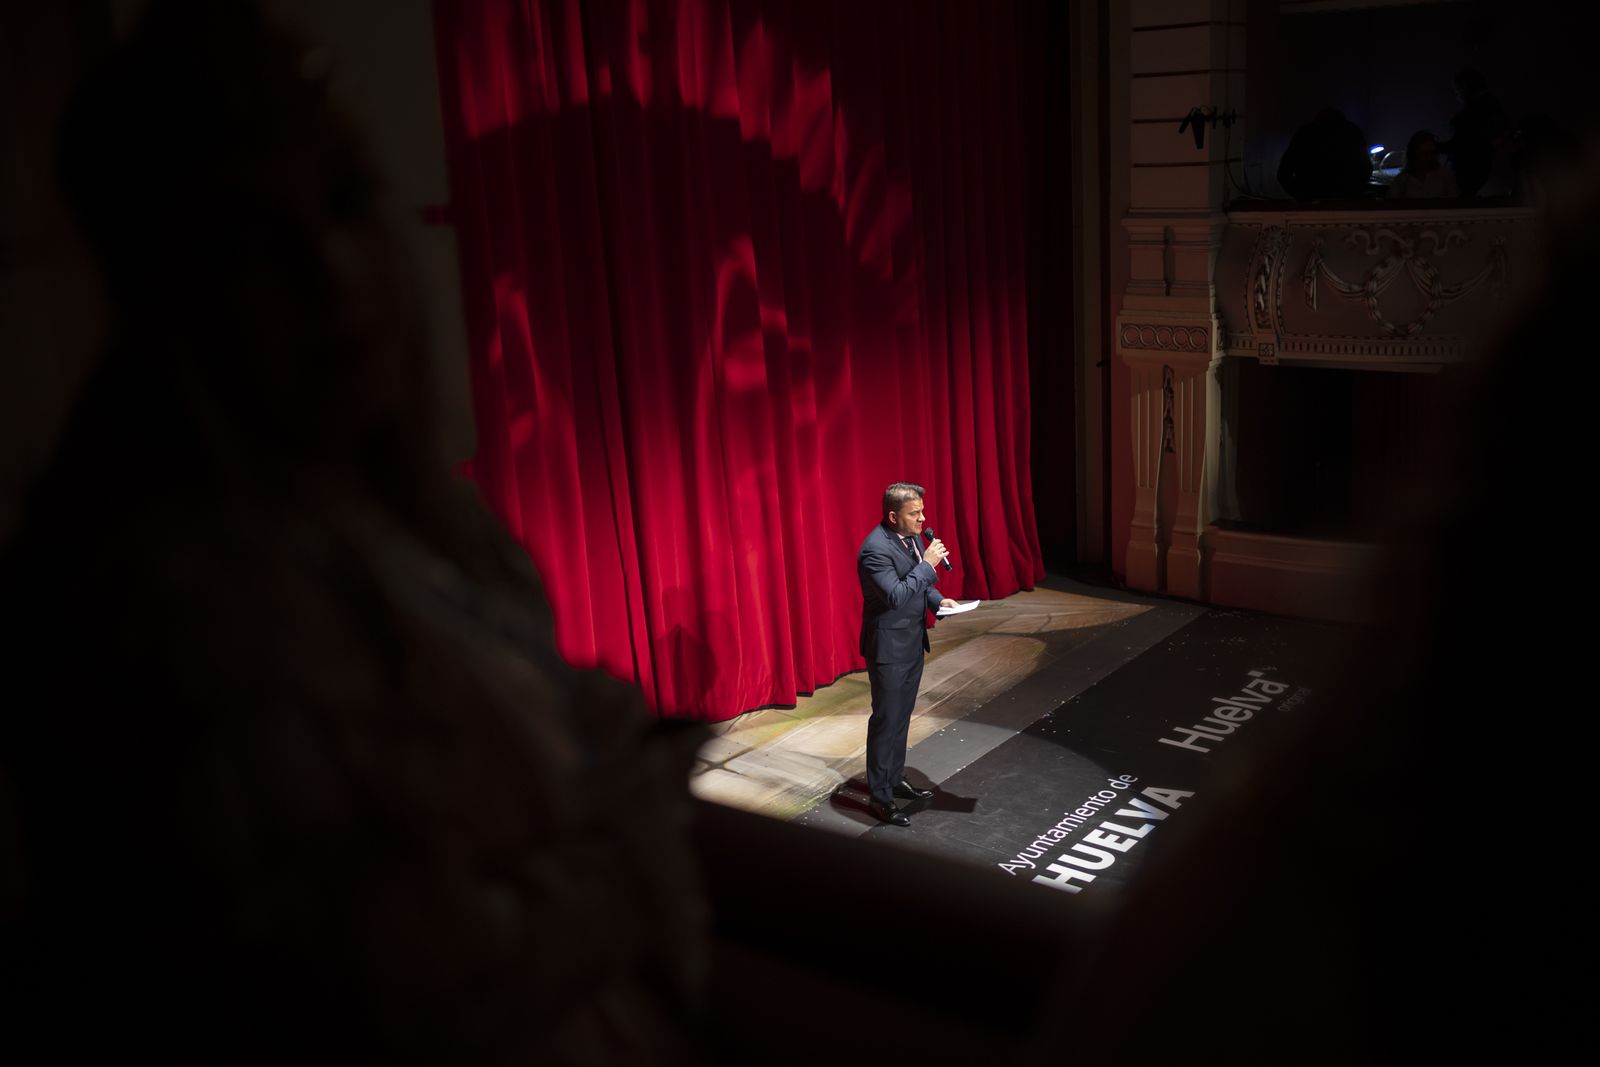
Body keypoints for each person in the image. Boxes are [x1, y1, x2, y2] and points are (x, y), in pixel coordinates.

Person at [856, 482, 948, 826]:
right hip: (888, 650)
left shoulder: (908, 538)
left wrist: (940, 602)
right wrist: (927, 564)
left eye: (922, 511)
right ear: (893, 516)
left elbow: (919, 585)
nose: (922, 519)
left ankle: (894, 779)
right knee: (886, 721)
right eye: (915, 513)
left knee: (902, 717)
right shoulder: (874, 550)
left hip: (911, 643)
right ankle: (880, 796)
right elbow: (895, 595)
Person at [1276, 107, 1372, 200]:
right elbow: (1366, 169)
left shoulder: (1305, 133)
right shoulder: (1352, 132)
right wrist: (1354, 193)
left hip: (1311, 199)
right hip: (1346, 200)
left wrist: (1302, 196)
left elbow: (1284, 173)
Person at [1439, 68, 1508, 197]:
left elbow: (1465, 142)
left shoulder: (1478, 110)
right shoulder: (1489, 106)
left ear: (1466, 87)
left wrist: (1435, 147)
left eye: (1458, 89)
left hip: (1471, 171)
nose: (1456, 94)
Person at [1388, 130, 1459, 199]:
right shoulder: (1402, 180)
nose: (1428, 158)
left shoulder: (1445, 177)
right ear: (1414, 155)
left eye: (1432, 153)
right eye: (1424, 154)